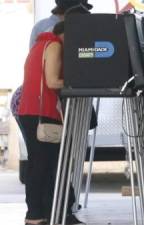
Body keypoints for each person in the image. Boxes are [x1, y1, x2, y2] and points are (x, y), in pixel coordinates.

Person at [17, 22, 83, 225]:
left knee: (42, 164)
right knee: (44, 165)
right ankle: (36, 214)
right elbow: (52, 82)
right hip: (41, 112)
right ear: (65, 35)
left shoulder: (40, 45)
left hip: (31, 111)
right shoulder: (54, 45)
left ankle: (42, 212)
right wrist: (79, 80)